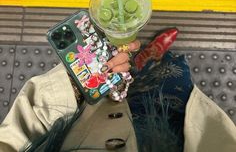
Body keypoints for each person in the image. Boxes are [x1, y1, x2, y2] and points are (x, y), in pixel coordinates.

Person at [0, 29, 236, 152]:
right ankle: (148, 58)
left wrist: (78, 82)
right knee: (167, 76)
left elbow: (12, 141)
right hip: (171, 131)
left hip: (86, 118)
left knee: (120, 68)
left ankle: (138, 61)